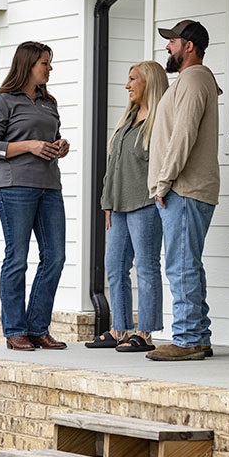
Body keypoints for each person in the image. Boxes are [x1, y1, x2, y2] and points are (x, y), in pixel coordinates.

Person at [0, 41, 70, 351]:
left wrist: (60, 146)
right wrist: (29, 145)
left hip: (49, 186)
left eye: (49, 63)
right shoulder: (2, 101)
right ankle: (15, 329)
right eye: (45, 63)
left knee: (55, 257)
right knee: (17, 258)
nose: (49, 68)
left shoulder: (50, 102)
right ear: (28, 64)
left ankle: (37, 328)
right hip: (13, 186)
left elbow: (51, 138)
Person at [145, 20, 221, 362]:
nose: (167, 48)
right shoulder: (193, 81)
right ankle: (199, 336)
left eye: (172, 42)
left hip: (183, 189)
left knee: (180, 266)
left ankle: (188, 339)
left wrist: (163, 182)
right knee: (188, 264)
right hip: (185, 190)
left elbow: (183, 136)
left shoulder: (193, 79)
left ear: (189, 46)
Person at [85, 61, 169, 353]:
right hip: (118, 205)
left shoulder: (159, 121)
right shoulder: (128, 119)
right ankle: (119, 329)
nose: (127, 85)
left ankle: (144, 333)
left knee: (146, 267)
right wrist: (107, 201)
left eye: (133, 79)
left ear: (150, 83)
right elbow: (114, 165)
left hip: (145, 203)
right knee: (115, 266)